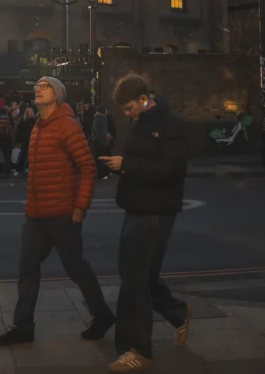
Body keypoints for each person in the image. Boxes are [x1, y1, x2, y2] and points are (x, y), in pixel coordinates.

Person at [0, 77, 114, 347]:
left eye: (45, 86)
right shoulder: (38, 126)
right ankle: (23, 326)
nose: (38, 88)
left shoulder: (67, 126)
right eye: (37, 86)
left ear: (58, 95)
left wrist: (80, 207)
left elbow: (88, 167)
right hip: (36, 214)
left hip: (62, 213)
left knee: (75, 267)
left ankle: (102, 315)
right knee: (27, 268)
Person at [100, 74, 192, 372]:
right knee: (141, 275)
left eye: (129, 108)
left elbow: (172, 169)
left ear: (143, 98)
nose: (126, 115)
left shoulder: (171, 124)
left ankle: (137, 350)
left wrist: (126, 165)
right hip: (136, 208)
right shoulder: (140, 122)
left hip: (156, 211)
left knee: (134, 282)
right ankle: (177, 312)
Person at [12, 106, 37, 175]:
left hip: (32, 140)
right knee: (23, 155)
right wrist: (18, 141)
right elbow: (19, 132)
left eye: (32, 111)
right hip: (24, 141)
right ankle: (20, 169)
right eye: (30, 111)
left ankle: (28, 168)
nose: (32, 113)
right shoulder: (23, 121)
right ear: (27, 113)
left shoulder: (36, 121)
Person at [91, 105, 111, 180]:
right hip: (99, 142)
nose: (107, 112)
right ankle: (101, 174)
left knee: (99, 157)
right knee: (100, 157)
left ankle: (101, 173)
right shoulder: (100, 119)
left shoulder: (99, 118)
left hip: (97, 141)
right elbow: (101, 133)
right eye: (105, 110)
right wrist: (105, 143)